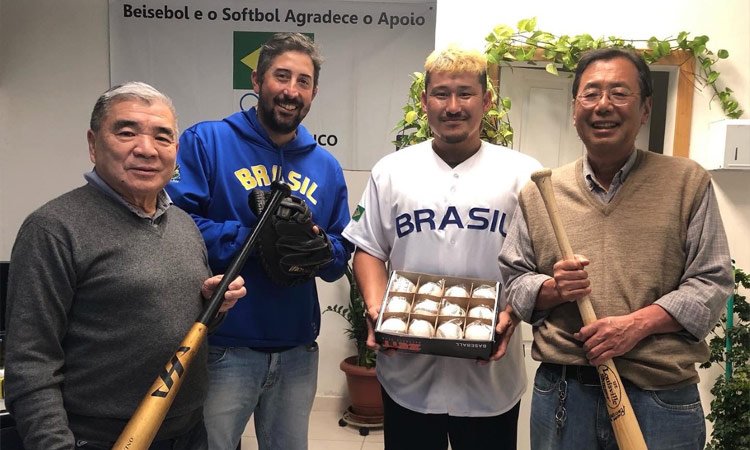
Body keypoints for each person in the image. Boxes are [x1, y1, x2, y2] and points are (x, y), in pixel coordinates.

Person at [498, 48, 734, 450]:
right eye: (590, 94)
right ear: (574, 109)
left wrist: (636, 325)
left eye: (619, 93)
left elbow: (711, 283)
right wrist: (554, 289)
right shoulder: (541, 192)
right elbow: (515, 282)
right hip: (564, 393)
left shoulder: (685, 182)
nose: (602, 105)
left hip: (661, 397)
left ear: (644, 109)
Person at [4, 81, 246, 450]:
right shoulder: (53, 229)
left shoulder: (183, 224)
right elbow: (31, 362)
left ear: (175, 151)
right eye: (127, 132)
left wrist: (214, 307)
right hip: (98, 439)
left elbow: (172, 327)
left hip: (188, 432)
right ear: (92, 143)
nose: (146, 149)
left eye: (162, 137)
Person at [342, 46, 542, 450]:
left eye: (465, 93)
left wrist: (512, 315)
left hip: (490, 377)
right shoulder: (391, 170)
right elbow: (369, 248)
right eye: (441, 94)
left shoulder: (523, 173)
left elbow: (538, 265)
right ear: (424, 101)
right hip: (407, 372)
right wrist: (377, 308)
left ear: (486, 101)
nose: (453, 106)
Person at [165, 32, 353, 450]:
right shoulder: (207, 141)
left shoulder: (326, 166)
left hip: (296, 350)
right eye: (281, 76)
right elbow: (176, 226)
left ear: (314, 93)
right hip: (225, 346)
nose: (291, 91)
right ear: (256, 80)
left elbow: (341, 256)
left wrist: (319, 247)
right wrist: (253, 238)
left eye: (303, 82)